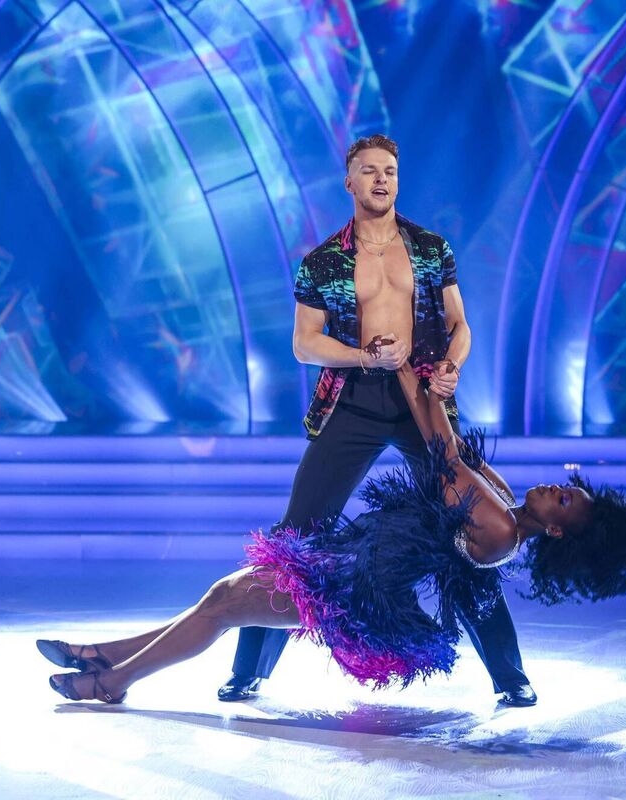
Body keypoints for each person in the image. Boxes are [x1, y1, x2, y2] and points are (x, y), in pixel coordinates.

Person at [38, 361, 626, 703]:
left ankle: (112, 683)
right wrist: (436, 382)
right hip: (352, 558)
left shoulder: (500, 529)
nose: (556, 490)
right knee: (220, 598)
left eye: (564, 500)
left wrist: (403, 373)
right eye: (566, 487)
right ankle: (107, 656)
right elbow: (460, 450)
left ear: (558, 533)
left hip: (351, 586)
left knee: (227, 603)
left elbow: (443, 451)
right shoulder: (506, 504)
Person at [220, 133, 541, 707]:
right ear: (350, 182)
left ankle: (509, 674)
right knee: (298, 534)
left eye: (389, 170)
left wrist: (452, 366)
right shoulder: (324, 261)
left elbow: (460, 325)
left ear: (398, 178)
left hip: (423, 403)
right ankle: (249, 670)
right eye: (368, 171)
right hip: (355, 401)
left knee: (466, 526)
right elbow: (304, 344)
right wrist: (366, 357)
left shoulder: (430, 247)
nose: (380, 180)